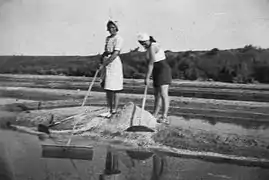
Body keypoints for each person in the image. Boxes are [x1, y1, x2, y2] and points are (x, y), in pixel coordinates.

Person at [137, 33, 172, 124]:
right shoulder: (148, 48)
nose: (143, 44)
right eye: (141, 43)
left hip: (163, 69)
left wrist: (147, 77)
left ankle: (164, 116)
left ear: (149, 40)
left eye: (144, 42)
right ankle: (154, 115)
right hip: (156, 70)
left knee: (164, 93)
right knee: (156, 95)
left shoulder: (153, 46)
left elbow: (151, 63)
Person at [99, 20, 124, 118]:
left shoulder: (119, 38)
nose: (111, 29)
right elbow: (106, 51)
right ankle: (109, 109)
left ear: (117, 28)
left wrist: (105, 63)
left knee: (115, 88)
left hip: (114, 63)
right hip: (106, 61)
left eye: (113, 27)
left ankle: (115, 109)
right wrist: (102, 61)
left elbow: (115, 53)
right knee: (107, 87)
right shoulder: (107, 38)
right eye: (110, 27)